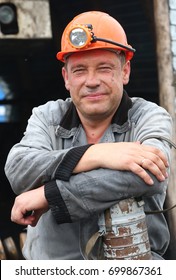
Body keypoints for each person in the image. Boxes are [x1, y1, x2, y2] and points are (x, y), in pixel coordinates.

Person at [5, 11, 172, 260]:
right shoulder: (47, 116)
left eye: (104, 69)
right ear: (66, 78)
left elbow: (150, 174)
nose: (91, 81)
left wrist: (49, 195)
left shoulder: (148, 116)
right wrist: (96, 154)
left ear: (125, 71)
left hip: (133, 271)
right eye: (80, 70)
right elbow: (19, 168)